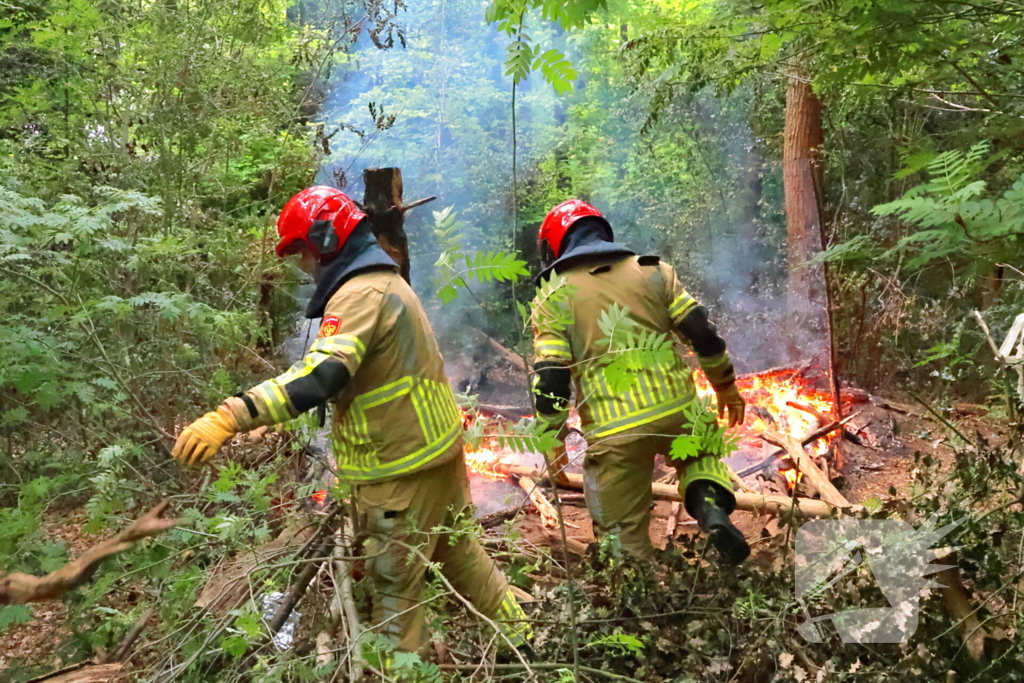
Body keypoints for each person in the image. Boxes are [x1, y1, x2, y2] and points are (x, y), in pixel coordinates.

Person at [172, 186, 532, 654]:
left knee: (395, 597)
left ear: (325, 239)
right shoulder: (387, 281)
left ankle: (402, 669)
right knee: (461, 554)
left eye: (302, 251)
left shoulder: (361, 292)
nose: (303, 266)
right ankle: (526, 642)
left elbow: (323, 373)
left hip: (399, 468)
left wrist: (231, 416)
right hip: (433, 454)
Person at [530, 199, 750, 565]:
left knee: (620, 534)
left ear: (553, 246)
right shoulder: (654, 271)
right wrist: (724, 384)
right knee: (702, 457)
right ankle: (710, 509)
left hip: (617, 428)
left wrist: (552, 438)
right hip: (680, 408)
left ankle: (641, 597)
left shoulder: (553, 297)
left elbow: (552, 377)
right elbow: (702, 333)